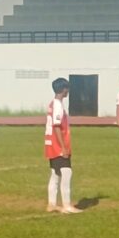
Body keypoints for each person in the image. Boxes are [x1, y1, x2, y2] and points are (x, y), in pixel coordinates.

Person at [45, 77, 81, 214]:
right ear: (64, 89)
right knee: (67, 173)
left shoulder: (52, 103)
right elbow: (57, 127)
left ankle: (52, 204)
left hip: (51, 145)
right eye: (67, 88)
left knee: (55, 174)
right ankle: (67, 205)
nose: (68, 91)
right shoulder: (58, 105)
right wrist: (63, 147)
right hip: (57, 145)